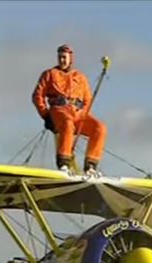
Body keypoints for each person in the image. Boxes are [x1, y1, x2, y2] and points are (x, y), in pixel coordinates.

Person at [32, 44, 107, 176]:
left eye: (64, 57)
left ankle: (91, 166)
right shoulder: (49, 74)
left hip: (78, 112)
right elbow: (37, 95)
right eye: (60, 57)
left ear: (70, 59)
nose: (62, 60)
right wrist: (45, 115)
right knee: (67, 124)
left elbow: (87, 99)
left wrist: (83, 113)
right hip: (59, 110)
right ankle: (64, 164)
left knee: (99, 127)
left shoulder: (80, 77)